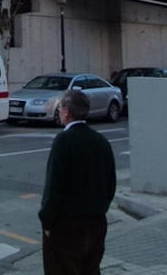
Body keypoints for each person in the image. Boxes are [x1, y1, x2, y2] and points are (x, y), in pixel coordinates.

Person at [38, 89, 117, 275]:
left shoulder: (64, 141)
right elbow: (110, 185)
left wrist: (47, 222)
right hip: (96, 223)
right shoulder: (101, 141)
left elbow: (54, 188)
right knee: (90, 269)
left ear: (66, 111)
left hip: (67, 226)